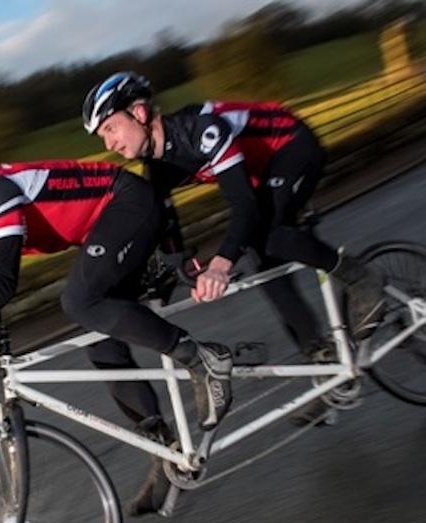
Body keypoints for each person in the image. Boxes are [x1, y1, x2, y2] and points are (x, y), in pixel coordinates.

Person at [0, 147, 233, 513]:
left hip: (127, 202)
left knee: (80, 302)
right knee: (102, 345)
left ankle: (202, 358)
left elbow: (1, 283)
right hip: (102, 233)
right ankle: (165, 454)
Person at [81, 72, 387, 424]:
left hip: (291, 146)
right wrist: (179, 270)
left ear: (139, 113)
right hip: (259, 171)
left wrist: (221, 263)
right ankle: (324, 360)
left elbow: (244, 206)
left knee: (268, 236)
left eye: (110, 128)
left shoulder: (202, 130)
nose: (109, 144)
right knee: (267, 265)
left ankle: (361, 278)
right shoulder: (158, 166)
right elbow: (168, 231)